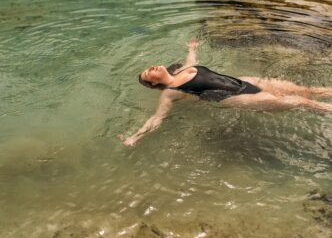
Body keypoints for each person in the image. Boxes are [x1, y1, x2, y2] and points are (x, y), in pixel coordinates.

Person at [119, 39, 332, 146]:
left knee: (305, 90)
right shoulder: (170, 93)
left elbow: (192, 60)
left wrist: (192, 47)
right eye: (148, 73)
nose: (152, 68)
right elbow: (157, 118)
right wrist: (135, 137)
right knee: (300, 102)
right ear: (154, 84)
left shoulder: (183, 70)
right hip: (237, 98)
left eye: (149, 67)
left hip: (244, 81)